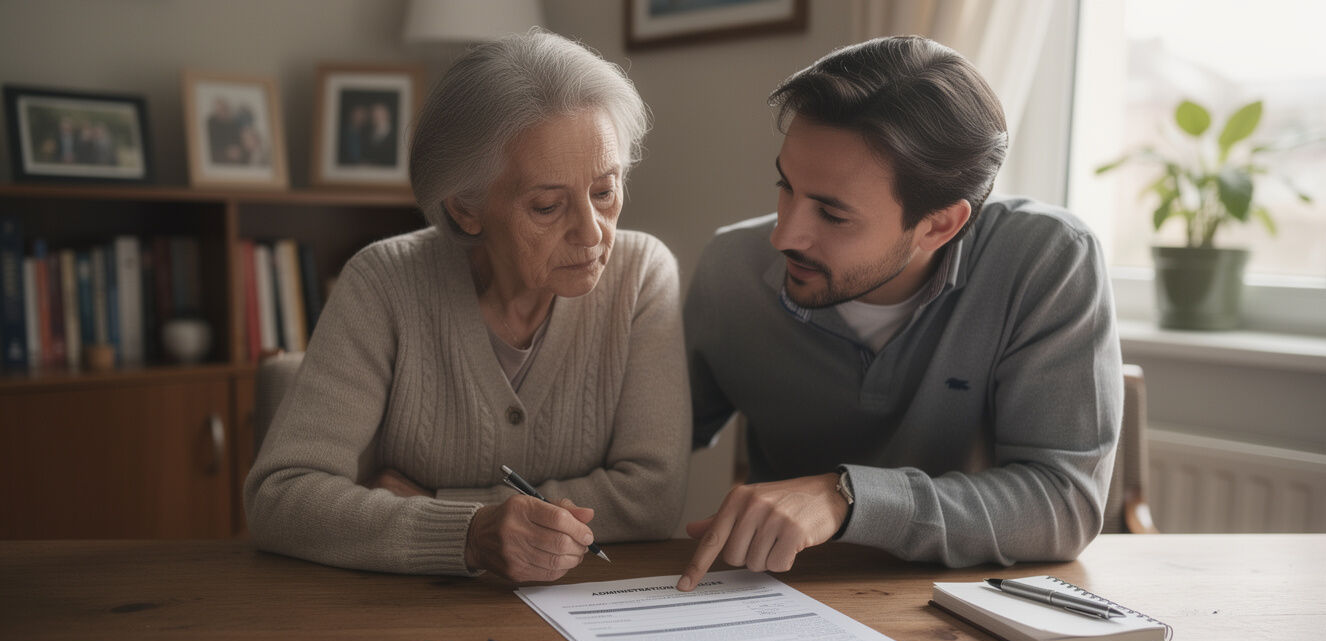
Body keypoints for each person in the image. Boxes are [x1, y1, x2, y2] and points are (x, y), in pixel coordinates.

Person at [677, 36, 1122, 591]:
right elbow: (656, 441)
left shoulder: (1049, 259)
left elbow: (1063, 505)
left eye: (833, 215)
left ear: (938, 225)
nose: (783, 233)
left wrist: (846, 497)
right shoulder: (731, 269)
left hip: (967, 612)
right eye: (785, 187)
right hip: (774, 595)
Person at [246, 29, 690, 582]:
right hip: (395, 615)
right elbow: (280, 497)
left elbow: (651, 497)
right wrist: (470, 537)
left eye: (604, 191)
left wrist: (449, 507)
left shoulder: (642, 275)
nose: (592, 233)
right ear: (465, 210)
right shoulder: (384, 282)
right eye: (548, 206)